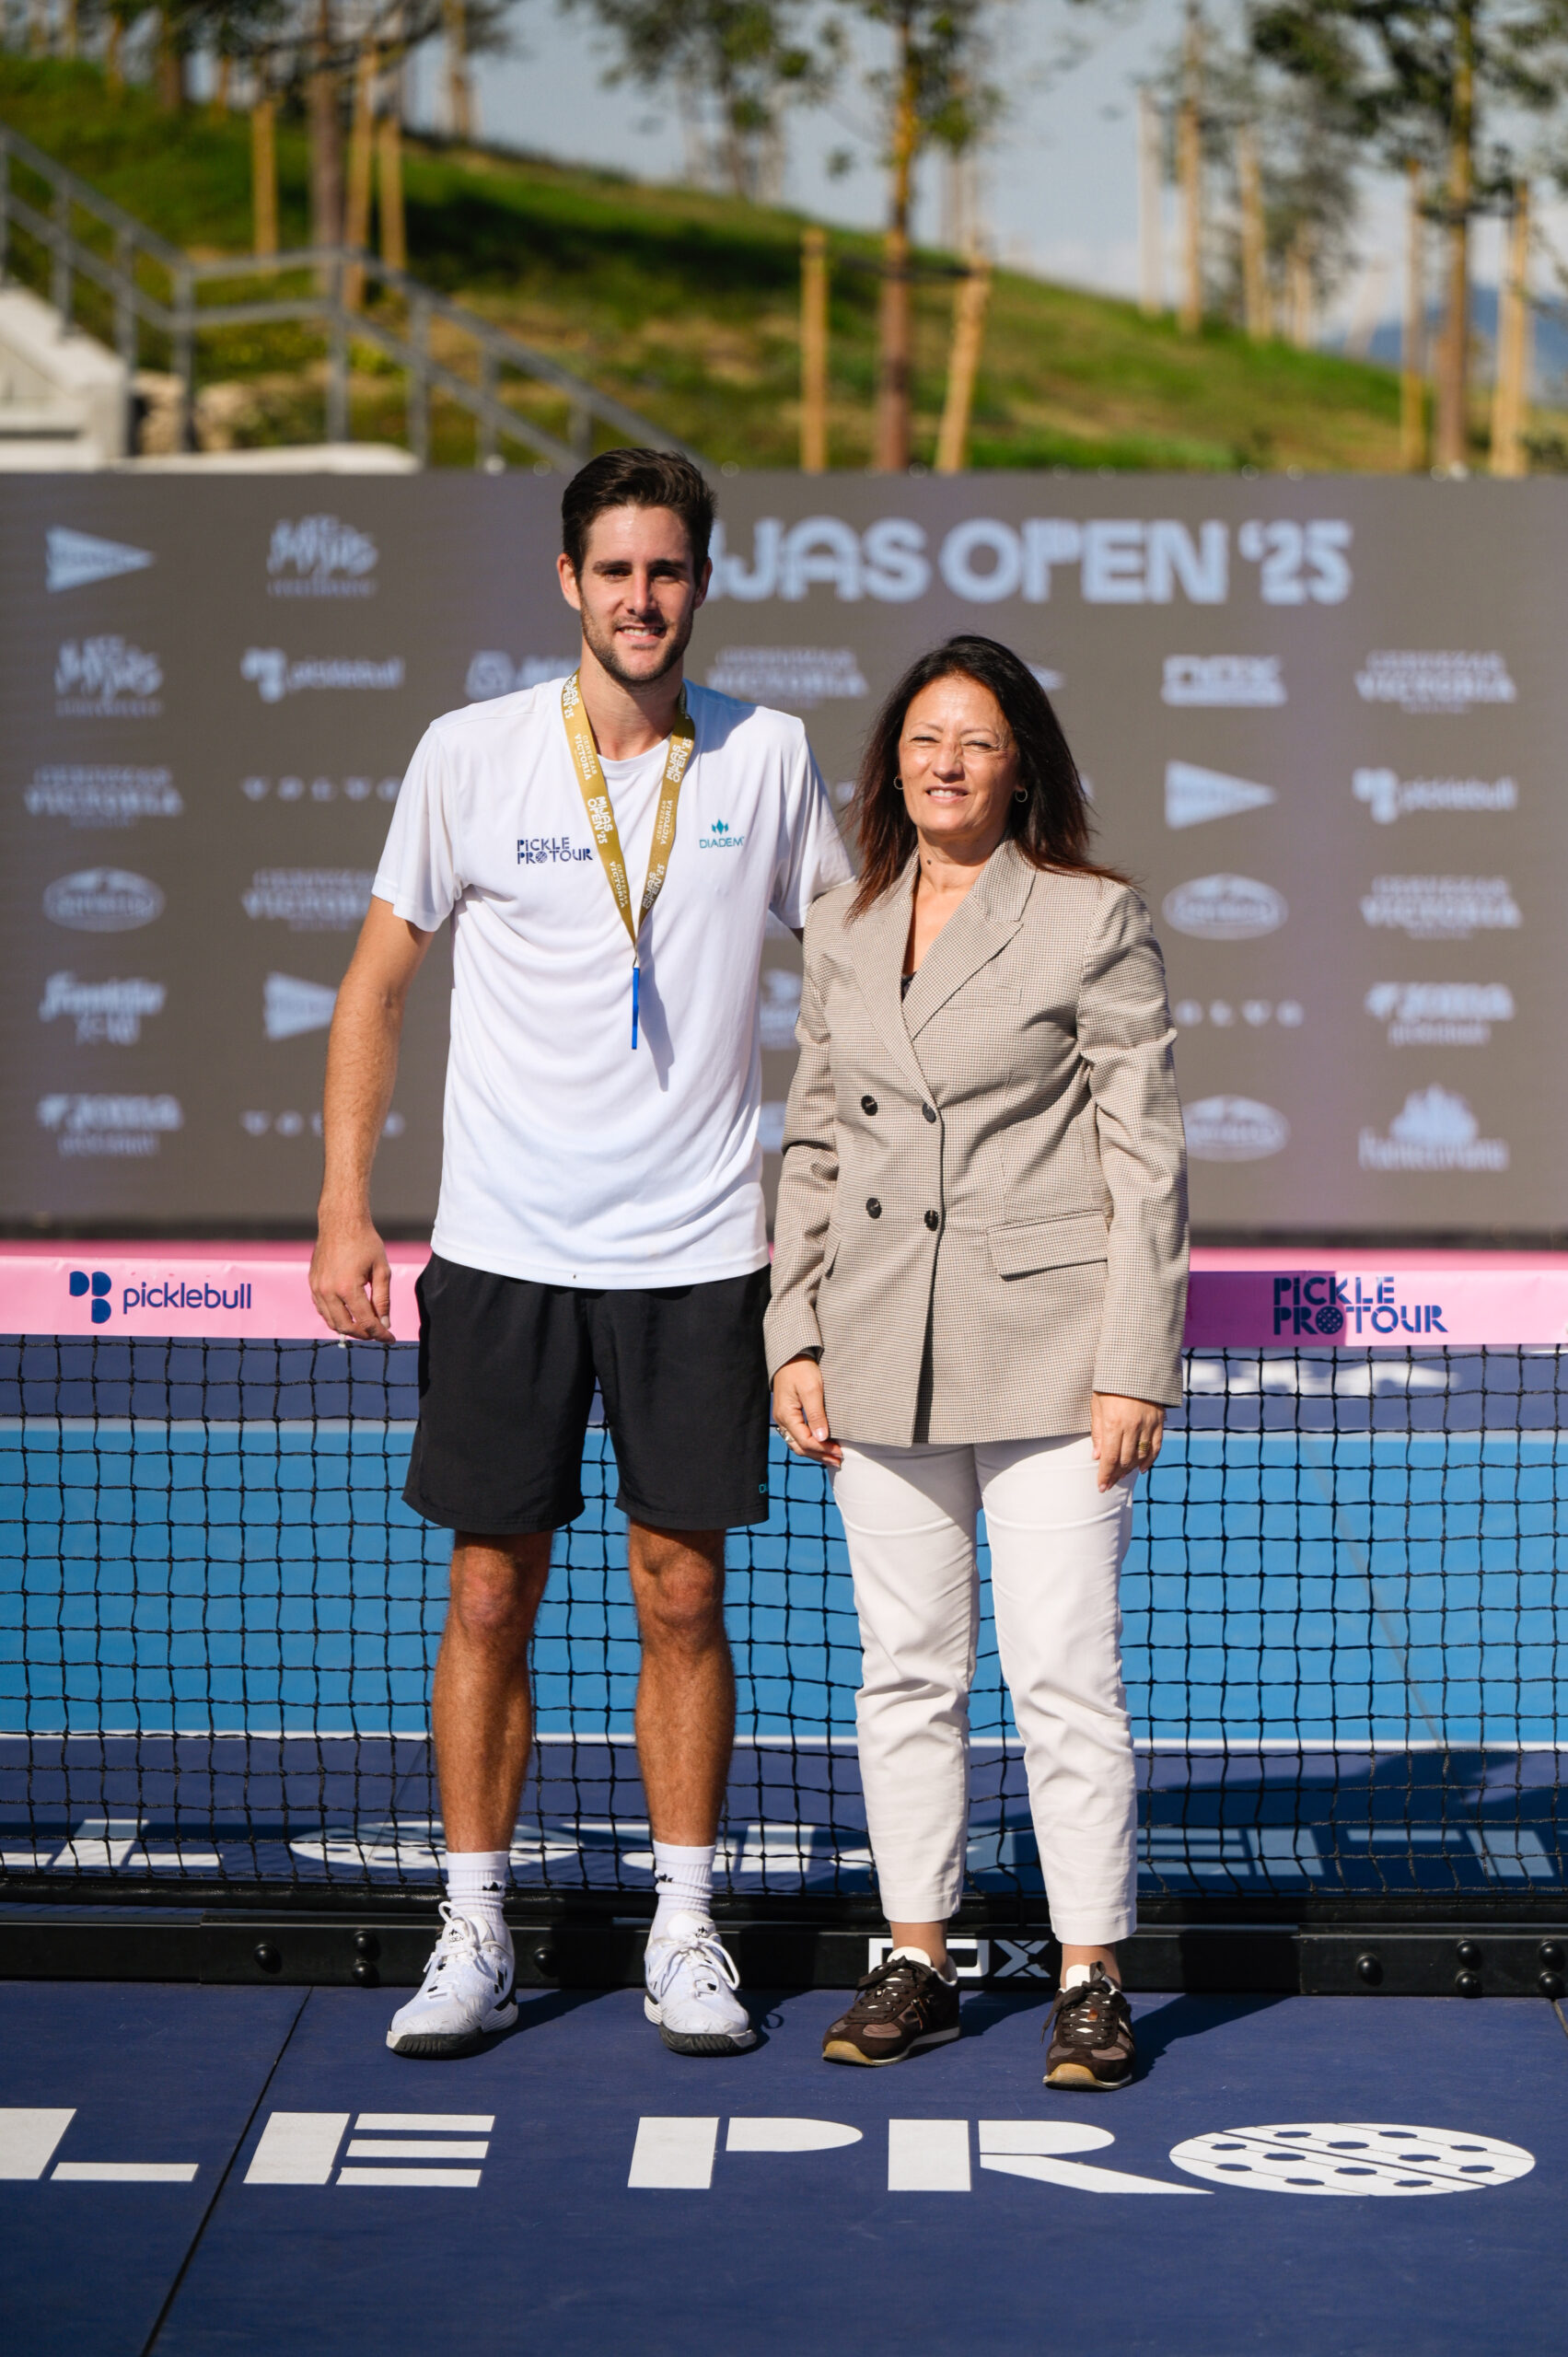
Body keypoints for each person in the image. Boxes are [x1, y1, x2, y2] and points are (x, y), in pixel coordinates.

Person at [310, 448, 852, 2060]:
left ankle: (686, 1929)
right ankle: (474, 1929)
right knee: (489, 1595)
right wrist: (344, 1203)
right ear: (569, 582)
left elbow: (860, 973)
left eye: (667, 570)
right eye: (614, 570)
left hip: (700, 1256)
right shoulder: (469, 753)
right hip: (504, 1251)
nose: (641, 597)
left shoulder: (771, 755)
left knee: (682, 1592)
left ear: (702, 584)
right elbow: (376, 985)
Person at [767, 634, 1188, 2091]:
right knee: (904, 1677)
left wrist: (1133, 1363)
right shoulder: (842, 922)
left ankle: (1091, 1980)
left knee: (1064, 1679)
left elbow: (1145, 1160)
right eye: (925, 739)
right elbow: (814, 1143)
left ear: (1022, 772)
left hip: (1057, 1363)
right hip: (877, 1348)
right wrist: (793, 1330)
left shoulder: (1091, 916)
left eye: (978, 742)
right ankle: (917, 1963)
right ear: (892, 764)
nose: (947, 763)